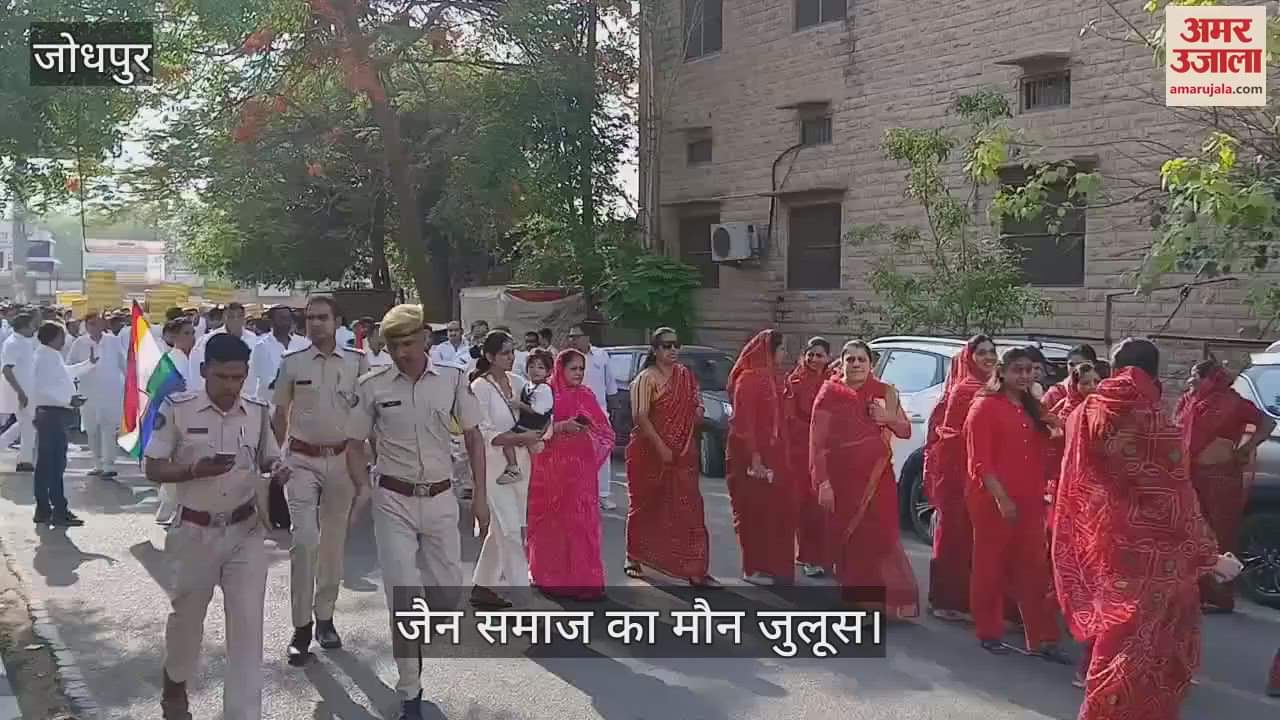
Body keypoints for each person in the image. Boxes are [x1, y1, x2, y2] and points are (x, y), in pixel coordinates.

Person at [1053, 338, 1239, 720]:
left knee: (1116, 634)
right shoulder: (1153, 422)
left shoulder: (1088, 411)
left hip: (1107, 543)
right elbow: (1175, 501)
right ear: (1153, 373)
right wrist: (1208, 555)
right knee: (1150, 646)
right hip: (1156, 556)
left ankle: (1099, 710)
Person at [341, 304, 487, 720]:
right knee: (402, 594)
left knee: (448, 596)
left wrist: (480, 497)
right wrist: (361, 486)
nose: (402, 352)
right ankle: (410, 690)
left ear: (425, 337)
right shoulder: (371, 386)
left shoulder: (454, 380)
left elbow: (474, 437)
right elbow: (353, 441)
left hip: (441, 499)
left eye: (408, 342)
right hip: (393, 500)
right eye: (394, 345)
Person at [143, 333, 290, 720]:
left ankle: (243, 714)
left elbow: (269, 459)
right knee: (187, 621)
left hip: (245, 531)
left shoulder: (257, 412)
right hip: (194, 532)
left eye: (238, 378)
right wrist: (192, 470)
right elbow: (152, 466)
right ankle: (175, 682)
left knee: (247, 627)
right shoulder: (179, 409)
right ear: (205, 371)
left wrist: (278, 471)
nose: (230, 386)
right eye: (222, 377)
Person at [271, 296, 369, 665]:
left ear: (336, 320)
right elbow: (279, 412)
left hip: (342, 461)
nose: (315, 323)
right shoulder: (292, 363)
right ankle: (301, 627)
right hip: (301, 461)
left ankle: (325, 617)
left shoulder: (359, 363)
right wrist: (280, 453)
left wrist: (366, 465)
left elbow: (367, 413)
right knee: (304, 540)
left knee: (332, 544)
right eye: (309, 318)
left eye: (322, 317)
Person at [963, 347, 1068, 660]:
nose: (1024, 376)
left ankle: (1042, 638)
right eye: (1018, 370)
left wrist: (1056, 426)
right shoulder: (984, 407)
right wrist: (1002, 499)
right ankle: (988, 631)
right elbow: (980, 462)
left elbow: (1052, 445)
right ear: (1003, 371)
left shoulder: (1031, 407)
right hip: (994, 499)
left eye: (1029, 370)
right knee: (990, 566)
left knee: (1034, 568)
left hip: (1030, 497)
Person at [811, 340, 918, 618]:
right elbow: (818, 442)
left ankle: (878, 603)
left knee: (879, 537)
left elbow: (905, 431)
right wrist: (822, 482)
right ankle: (856, 602)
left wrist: (887, 418)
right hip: (840, 481)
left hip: (877, 478)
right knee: (848, 541)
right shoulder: (830, 393)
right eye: (851, 360)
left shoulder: (886, 393)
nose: (856, 364)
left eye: (862, 360)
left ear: (871, 364)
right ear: (842, 362)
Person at [1175, 359, 1276, 614]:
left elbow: (1266, 423)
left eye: (1196, 376)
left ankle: (1220, 597)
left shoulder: (1233, 402)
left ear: (1212, 379)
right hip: (1191, 476)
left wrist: (1245, 447)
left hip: (1221, 478)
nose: (1191, 381)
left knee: (1220, 535)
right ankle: (1195, 593)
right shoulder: (1189, 401)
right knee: (1193, 533)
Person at [623, 328, 713, 586]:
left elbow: (696, 401)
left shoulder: (685, 375)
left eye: (676, 345)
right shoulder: (646, 379)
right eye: (666, 346)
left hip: (683, 453)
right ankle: (635, 555)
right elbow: (640, 416)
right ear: (655, 349)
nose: (672, 350)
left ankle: (695, 567)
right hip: (649, 453)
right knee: (645, 506)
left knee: (689, 509)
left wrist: (697, 410)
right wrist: (661, 447)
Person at [527, 348, 615, 599]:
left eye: (581, 369)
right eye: (573, 369)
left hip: (580, 471)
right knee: (552, 524)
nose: (578, 374)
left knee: (581, 524)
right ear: (560, 369)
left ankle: (585, 579)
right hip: (550, 470)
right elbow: (532, 430)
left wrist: (587, 428)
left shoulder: (586, 395)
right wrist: (561, 427)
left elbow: (605, 432)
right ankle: (549, 577)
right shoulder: (546, 394)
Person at [922, 334, 997, 620]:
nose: (989, 357)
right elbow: (952, 437)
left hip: (973, 473)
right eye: (982, 353)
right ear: (970, 357)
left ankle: (963, 600)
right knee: (956, 537)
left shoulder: (989, 386)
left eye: (992, 352)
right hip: (958, 474)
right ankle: (948, 601)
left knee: (969, 538)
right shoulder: (968, 389)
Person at [468, 331, 537, 609]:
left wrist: (538, 433)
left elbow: (538, 414)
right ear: (489, 356)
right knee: (509, 532)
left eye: (513, 351)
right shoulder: (479, 388)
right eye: (505, 352)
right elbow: (484, 434)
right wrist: (520, 438)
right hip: (493, 465)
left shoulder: (519, 383)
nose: (511, 357)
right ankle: (525, 602)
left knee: (502, 529)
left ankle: (482, 586)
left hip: (521, 465)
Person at [726, 329, 794, 586]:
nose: (785, 354)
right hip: (749, 456)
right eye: (782, 349)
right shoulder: (749, 380)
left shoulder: (776, 379)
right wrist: (755, 458)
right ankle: (753, 567)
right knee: (752, 511)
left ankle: (776, 565)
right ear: (769, 350)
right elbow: (745, 424)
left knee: (778, 511)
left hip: (775, 455)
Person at [31, 321, 97, 526]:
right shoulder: (43, 357)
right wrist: (68, 401)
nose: (64, 340)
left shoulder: (50, 356)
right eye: (61, 336)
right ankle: (58, 509)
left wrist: (89, 364)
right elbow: (42, 389)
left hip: (54, 413)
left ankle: (45, 509)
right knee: (53, 464)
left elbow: (65, 374)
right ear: (53, 338)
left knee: (47, 464)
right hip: (52, 414)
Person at [788, 336, 833, 578]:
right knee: (808, 505)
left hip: (829, 451)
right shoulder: (794, 382)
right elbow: (789, 418)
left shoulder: (833, 382)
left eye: (820, 355)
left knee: (827, 506)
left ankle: (825, 555)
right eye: (811, 354)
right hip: (802, 451)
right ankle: (807, 556)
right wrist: (813, 431)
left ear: (828, 358)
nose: (815, 359)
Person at [67, 312, 127, 478]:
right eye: (90, 324)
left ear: (103, 325)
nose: (94, 327)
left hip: (111, 392)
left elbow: (124, 364)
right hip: (88, 393)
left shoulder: (113, 341)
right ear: (86, 326)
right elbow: (70, 367)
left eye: (97, 323)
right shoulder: (79, 343)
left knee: (109, 429)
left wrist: (130, 385)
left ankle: (108, 465)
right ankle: (97, 464)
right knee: (92, 430)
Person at [568, 326, 619, 511]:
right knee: (577, 457)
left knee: (603, 455)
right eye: (571, 337)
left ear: (587, 337)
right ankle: (579, 496)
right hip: (575, 415)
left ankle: (603, 495)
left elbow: (611, 385)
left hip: (600, 414)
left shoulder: (601, 356)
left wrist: (613, 410)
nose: (573, 340)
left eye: (577, 336)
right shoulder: (567, 358)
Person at [499, 350, 554, 483]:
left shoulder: (544, 389)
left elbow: (538, 411)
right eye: (532, 366)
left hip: (532, 425)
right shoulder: (528, 386)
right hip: (526, 424)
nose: (535, 370)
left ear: (548, 372)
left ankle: (513, 468)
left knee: (506, 440)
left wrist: (520, 405)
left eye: (540, 367)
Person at [189, 303, 259, 394]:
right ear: (224, 318)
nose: (236, 320)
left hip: (247, 393)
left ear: (244, 318)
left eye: (239, 316)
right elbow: (198, 368)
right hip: (217, 393)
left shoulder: (253, 339)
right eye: (231, 316)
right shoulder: (209, 339)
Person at [248, 305, 310, 403]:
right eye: (282, 318)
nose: (286, 322)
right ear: (272, 322)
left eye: (288, 318)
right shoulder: (262, 346)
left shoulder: (304, 343)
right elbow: (266, 381)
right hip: (271, 403)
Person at [0, 313, 38, 471]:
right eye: (32, 325)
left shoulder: (26, 342)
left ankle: (24, 459)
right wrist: (20, 392)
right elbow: (7, 369)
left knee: (27, 424)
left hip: (29, 390)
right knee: (28, 424)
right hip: (20, 391)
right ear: (24, 326)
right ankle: (25, 461)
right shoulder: (13, 343)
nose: (34, 328)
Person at [1042, 344, 1098, 410]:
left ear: (1092, 365)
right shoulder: (1055, 393)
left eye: (1080, 364)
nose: (1075, 369)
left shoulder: (1101, 389)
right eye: (1071, 364)